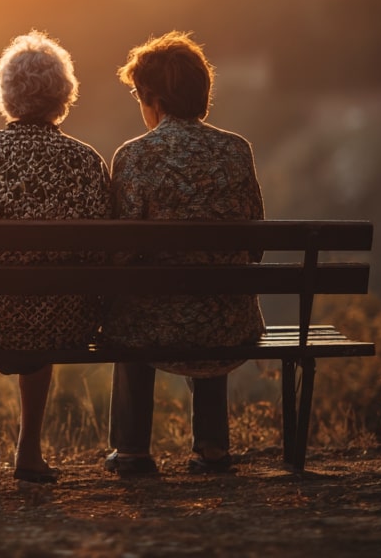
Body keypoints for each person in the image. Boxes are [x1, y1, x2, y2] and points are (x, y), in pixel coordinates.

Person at [0, 31, 110, 484]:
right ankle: (29, 450)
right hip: (59, 319)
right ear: (63, 96)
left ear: (6, 94)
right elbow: (99, 253)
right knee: (47, 300)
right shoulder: (84, 161)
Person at [102, 31, 265, 478]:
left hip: (154, 327)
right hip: (229, 322)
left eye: (137, 94)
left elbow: (119, 254)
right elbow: (254, 244)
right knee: (211, 295)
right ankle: (212, 449)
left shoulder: (135, 156)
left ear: (152, 96)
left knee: (132, 302)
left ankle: (132, 449)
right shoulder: (237, 149)